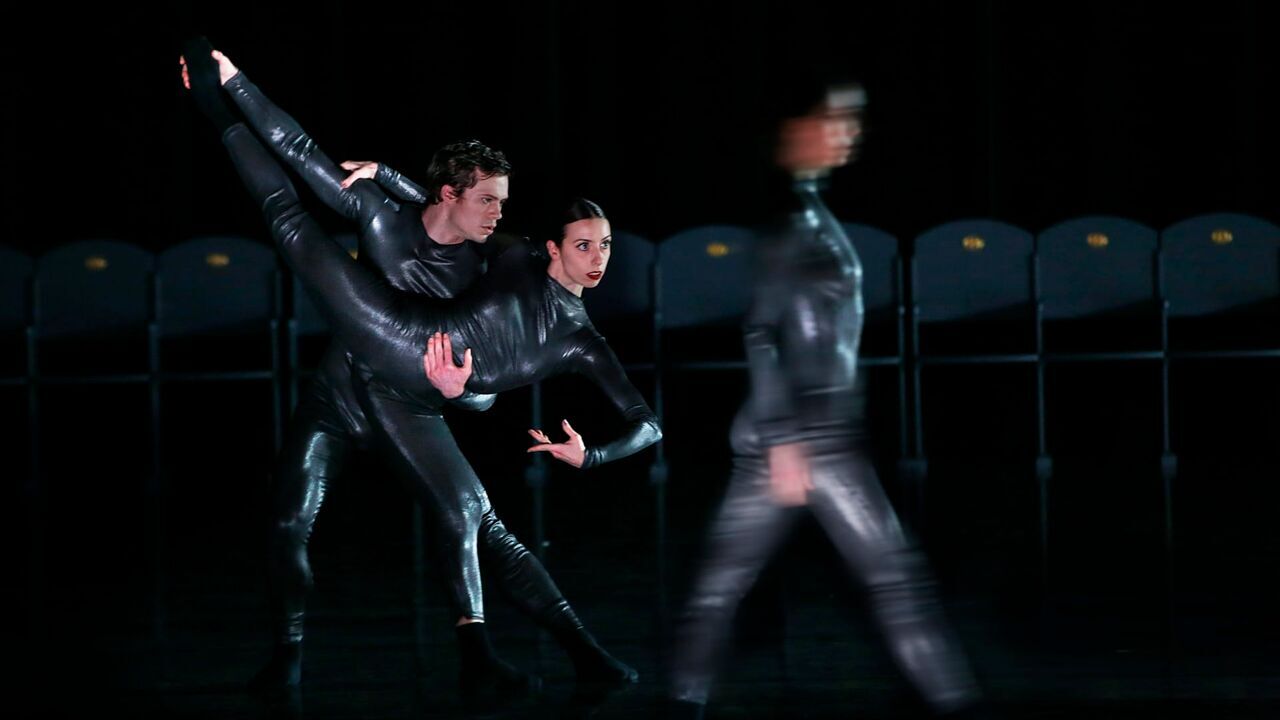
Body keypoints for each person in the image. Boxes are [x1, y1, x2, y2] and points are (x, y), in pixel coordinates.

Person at [180, 40, 654, 706]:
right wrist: (233, 85)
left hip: (411, 395)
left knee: (479, 519)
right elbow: (303, 156)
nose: (497, 215)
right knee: (288, 523)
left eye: (501, 205)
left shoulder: (495, 263)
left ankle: (574, 653)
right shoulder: (398, 221)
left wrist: (469, 397)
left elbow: (490, 373)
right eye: (485, 201)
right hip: (344, 391)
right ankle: (287, 654)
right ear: (450, 195)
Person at [665, 75, 984, 718]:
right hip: (806, 434)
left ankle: (682, 700)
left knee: (725, 584)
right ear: (797, 129)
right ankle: (956, 702)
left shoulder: (808, 210)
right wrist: (786, 437)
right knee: (892, 581)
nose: (849, 134)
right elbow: (761, 328)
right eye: (835, 120)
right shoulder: (793, 220)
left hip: (805, 430)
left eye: (853, 122)